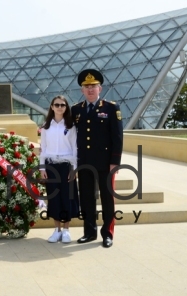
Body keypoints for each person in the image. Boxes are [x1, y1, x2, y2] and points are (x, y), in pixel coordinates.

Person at [71, 69, 123, 248]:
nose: (90, 89)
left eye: (93, 86)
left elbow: (117, 137)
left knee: (107, 198)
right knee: (86, 198)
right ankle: (89, 232)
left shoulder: (110, 108)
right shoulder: (76, 110)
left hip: (105, 162)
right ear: (81, 90)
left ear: (100, 88)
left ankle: (107, 233)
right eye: (86, 87)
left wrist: (115, 162)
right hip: (84, 162)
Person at [39, 95, 79, 243]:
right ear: (52, 107)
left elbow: (75, 148)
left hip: (66, 164)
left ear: (66, 107)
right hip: (51, 165)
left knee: (67, 197)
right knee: (54, 197)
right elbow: (43, 148)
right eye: (57, 105)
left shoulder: (71, 126)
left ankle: (67, 230)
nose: (60, 107)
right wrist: (42, 167)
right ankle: (57, 230)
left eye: (62, 105)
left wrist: (74, 169)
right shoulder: (45, 127)